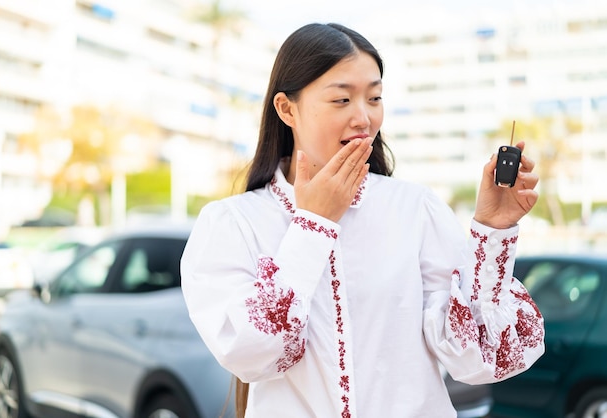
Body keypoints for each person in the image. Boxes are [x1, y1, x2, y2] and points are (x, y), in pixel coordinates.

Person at [180, 22, 545, 418]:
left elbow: (480, 357)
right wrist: (313, 225)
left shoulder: (414, 209)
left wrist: (492, 230)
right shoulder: (233, 224)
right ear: (287, 108)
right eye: (341, 100)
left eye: (374, 98)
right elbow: (250, 353)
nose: (363, 118)